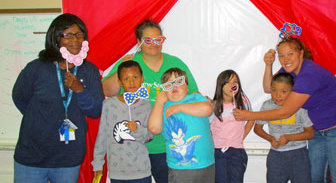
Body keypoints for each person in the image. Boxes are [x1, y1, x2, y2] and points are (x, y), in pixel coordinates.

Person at [234, 37, 336, 183]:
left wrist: (250, 115)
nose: (286, 59)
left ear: (301, 53)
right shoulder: (289, 70)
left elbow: (286, 111)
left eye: (290, 54)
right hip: (319, 130)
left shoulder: (309, 73)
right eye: (282, 55)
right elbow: (268, 88)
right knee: (316, 177)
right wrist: (268, 65)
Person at [102, 19, 198, 183]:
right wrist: (121, 67)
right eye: (148, 40)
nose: (154, 44)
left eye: (158, 39)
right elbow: (106, 90)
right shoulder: (130, 63)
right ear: (139, 42)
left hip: (168, 144)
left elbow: (193, 95)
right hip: (134, 146)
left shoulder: (174, 63)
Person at [12, 13, 104, 183]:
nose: (75, 40)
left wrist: (79, 90)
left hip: (68, 157)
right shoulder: (36, 68)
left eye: (79, 34)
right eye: (68, 35)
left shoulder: (89, 70)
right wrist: (40, 120)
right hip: (31, 155)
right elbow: (19, 98)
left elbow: (96, 110)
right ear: (55, 39)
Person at [148, 68, 215, 183]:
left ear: (187, 87)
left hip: (206, 164)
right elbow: (154, 128)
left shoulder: (195, 98)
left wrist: (179, 107)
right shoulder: (162, 108)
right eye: (168, 85)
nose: (174, 86)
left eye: (179, 82)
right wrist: (159, 101)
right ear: (164, 91)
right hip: (179, 168)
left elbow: (207, 109)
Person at [92, 60, 153, 183]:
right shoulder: (109, 104)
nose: (131, 82)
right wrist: (98, 164)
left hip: (141, 170)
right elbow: (102, 136)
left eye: (135, 77)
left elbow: (149, 136)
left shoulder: (146, 106)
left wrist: (137, 129)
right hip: (117, 171)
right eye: (126, 79)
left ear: (142, 79)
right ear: (119, 82)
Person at [254, 72, 314, 183]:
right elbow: (257, 129)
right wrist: (270, 139)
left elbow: (310, 133)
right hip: (276, 155)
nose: (278, 95)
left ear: (292, 92)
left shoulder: (299, 107)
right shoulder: (267, 106)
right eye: (274, 90)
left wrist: (289, 137)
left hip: (299, 155)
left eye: (283, 91)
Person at [209, 70, 254, 183]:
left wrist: (241, 136)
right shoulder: (214, 106)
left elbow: (251, 118)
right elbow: (208, 127)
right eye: (228, 82)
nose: (232, 84)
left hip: (237, 152)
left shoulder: (242, 101)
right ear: (221, 85)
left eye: (235, 81)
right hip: (218, 151)